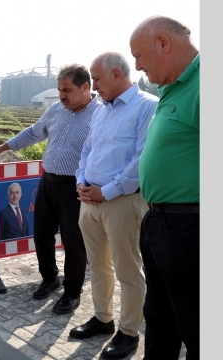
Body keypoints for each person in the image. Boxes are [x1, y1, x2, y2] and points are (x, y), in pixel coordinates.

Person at [0, 64, 100, 314]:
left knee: (73, 242)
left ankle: (72, 292)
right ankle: (50, 278)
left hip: (76, 187)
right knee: (41, 234)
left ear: (85, 87)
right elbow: (34, 132)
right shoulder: (57, 110)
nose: (61, 95)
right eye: (59, 90)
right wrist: (2, 148)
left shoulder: (100, 114)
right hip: (48, 182)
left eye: (67, 90)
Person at [70, 52, 158, 359]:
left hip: (122, 202)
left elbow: (141, 161)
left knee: (128, 270)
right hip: (89, 200)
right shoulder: (101, 110)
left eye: (97, 78)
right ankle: (103, 319)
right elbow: (87, 151)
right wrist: (81, 181)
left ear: (117, 75)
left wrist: (105, 192)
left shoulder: (147, 107)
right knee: (97, 266)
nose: (93, 86)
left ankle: (129, 333)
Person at [130, 16, 199, 360]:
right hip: (159, 222)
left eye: (139, 56)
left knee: (197, 325)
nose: (138, 66)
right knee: (158, 318)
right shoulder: (171, 87)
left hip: (189, 227)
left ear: (162, 43)